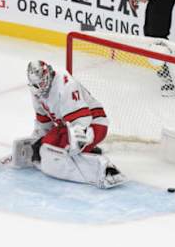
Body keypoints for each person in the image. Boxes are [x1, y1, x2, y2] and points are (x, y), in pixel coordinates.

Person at [11, 61, 127, 189]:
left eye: (41, 82)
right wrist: (38, 142)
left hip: (93, 125)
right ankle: (86, 151)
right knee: (46, 146)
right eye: (36, 85)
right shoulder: (36, 90)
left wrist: (73, 148)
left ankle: (106, 169)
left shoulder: (65, 85)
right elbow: (44, 122)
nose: (39, 87)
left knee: (56, 153)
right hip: (68, 126)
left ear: (48, 75)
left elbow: (82, 123)